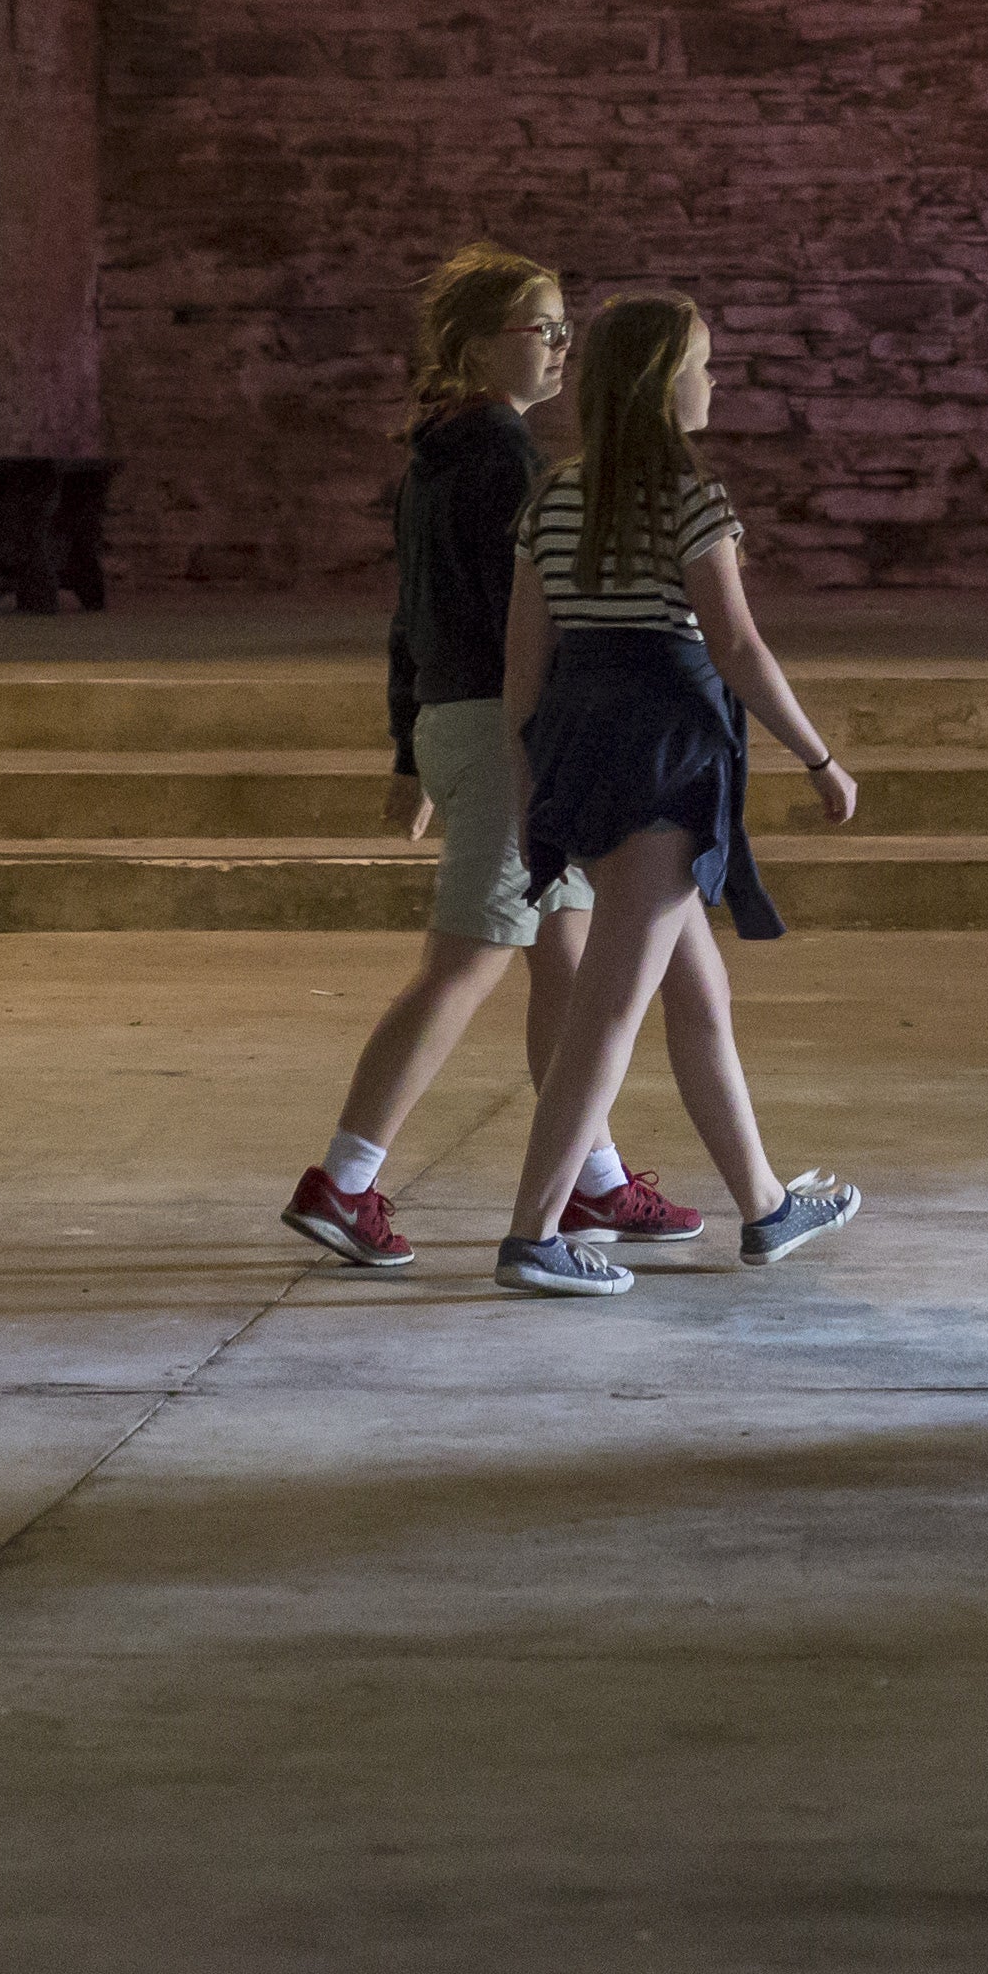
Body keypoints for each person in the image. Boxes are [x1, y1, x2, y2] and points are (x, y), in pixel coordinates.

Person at [278, 244, 704, 1274]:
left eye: (564, 328)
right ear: (478, 345)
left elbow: (408, 619)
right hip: (502, 732)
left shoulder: (436, 450)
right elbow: (524, 626)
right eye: (543, 327)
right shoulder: (504, 460)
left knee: (561, 958)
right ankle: (344, 1175)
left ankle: (593, 1178)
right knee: (466, 961)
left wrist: (405, 751)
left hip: (455, 722)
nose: (563, 346)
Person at [489, 293, 866, 1299]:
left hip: (585, 739)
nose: (716, 379)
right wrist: (819, 756)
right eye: (704, 363)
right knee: (609, 1007)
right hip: (663, 746)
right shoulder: (693, 499)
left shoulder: (552, 499)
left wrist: (532, 792)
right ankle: (531, 1233)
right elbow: (735, 643)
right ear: (664, 384)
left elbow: (523, 672)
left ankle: (766, 1203)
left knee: (699, 992)